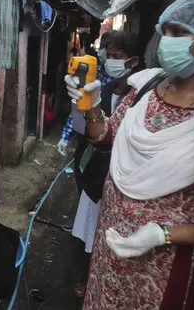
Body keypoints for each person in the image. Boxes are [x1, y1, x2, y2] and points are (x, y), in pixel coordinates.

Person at [69, 0, 194, 309]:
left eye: (179, 32)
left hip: (163, 269)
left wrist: (163, 234)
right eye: (166, 30)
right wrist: (89, 107)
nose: (165, 41)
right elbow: (105, 136)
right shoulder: (145, 86)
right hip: (110, 249)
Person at [66, 30, 143, 297]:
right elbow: (85, 129)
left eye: (117, 56)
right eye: (108, 55)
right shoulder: (103, 88)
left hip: (122, 178)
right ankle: (87, 279)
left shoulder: (140, 96)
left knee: (111, 236)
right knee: (89, 230)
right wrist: (81, 107)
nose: (111, 61)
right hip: (95, 172)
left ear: (133, 61)